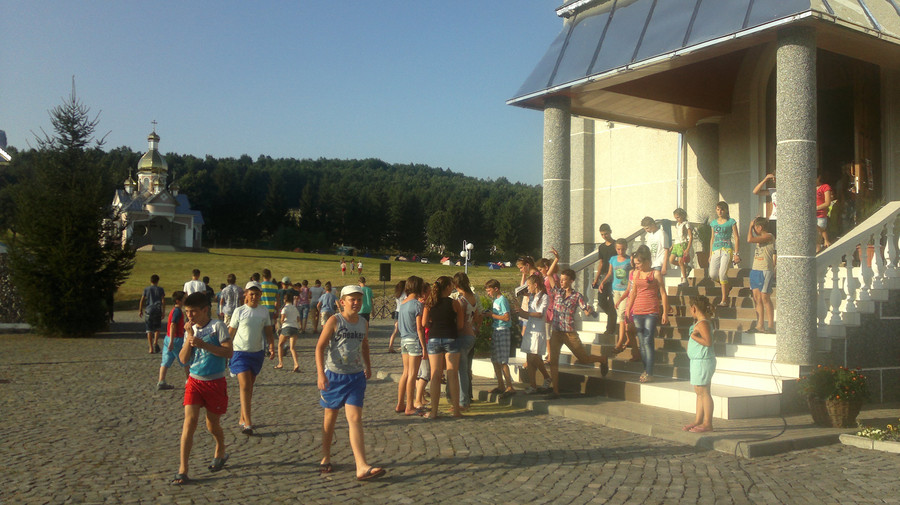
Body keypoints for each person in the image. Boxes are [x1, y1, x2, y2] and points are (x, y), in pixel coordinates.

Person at [315, 285, 385, 481]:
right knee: (330, 419)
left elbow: (365, 345)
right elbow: (319, 348)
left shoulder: (363, 323)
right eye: (352, 299)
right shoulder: (334, 321)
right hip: (334, 377)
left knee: (355, 419)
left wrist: (368, 366)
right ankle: (325, 456)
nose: (356, 303)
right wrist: (321, 374)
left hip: (355, 377)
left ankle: (361, 466)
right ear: (342, 302)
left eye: (359, 300)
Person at [172, 292, 233, 485]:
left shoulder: (217, 326)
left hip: (215, 382)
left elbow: (228, 352)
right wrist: (189, 338)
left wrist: (204, 345)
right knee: (189, 423)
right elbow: (183, 359)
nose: (189, 316)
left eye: (193, 312)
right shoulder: (190, 330)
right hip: (194, 381)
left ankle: (220, 449)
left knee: (212, 425)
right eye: (187, 312)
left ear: (205, 310)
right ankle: (183, 469)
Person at [546, 247, 609, 398]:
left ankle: (602, 359)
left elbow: (585, 308)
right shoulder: (557, 292)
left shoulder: (577, 296)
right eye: (561, 279)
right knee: (553, 361)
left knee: (583, 359)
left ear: (571, 281)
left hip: (569, 333)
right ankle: (555, 391)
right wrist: (557, 259)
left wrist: (589, 311)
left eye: (564, 280)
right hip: (556, 332)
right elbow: (548, 274)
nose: (561, 282)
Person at [228, 281, 275, 436]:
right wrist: (224, 349)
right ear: (246, 295)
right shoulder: (239, 311)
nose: (254, 297)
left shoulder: (263, 311)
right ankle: (248, 423)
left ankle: (242, 416)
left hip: (256, 353)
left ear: (261, 295)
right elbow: (231, 332)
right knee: (245, 386)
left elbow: (268, 331)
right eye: (251, 294)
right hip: (239, 352)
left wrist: (271, 346)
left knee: (249, 387)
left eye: (257, 294)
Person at [625, 247, 669, 383]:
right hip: (637, 311)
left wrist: (665, 312)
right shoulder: (636, 274)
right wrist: (628, 309)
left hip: (651, 310)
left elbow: (663, 293)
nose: (637, 266)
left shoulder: (655, 274)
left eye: (638, 263)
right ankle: (646, 370)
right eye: (635, 263)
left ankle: (650, 372)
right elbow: (633, 292)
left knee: (648, 340)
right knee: (641, 342)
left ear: (647, 261)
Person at [422, 276, 464, 419]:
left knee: (435, 374)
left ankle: (434, 411)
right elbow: (460, 325)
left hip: (434, 338)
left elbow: (424, 323)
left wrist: (433, 324)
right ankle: (456, 410)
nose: (453, 288)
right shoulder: (454, 303)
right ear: (447, 287)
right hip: (451, 337)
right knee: (452, 374)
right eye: (451, 285)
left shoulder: (430, 303)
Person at [684, 295, 716, 433]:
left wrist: (693, 336)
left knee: (704, 391)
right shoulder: (701, 323)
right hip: (697, 361)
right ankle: (698, 420)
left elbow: (708, 342)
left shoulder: (703, 323)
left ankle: (707, 423)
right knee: (698, 391)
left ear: (694, 308)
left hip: (703, 361)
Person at [396, 276, 426, 415]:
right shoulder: (417, 304)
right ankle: (409, 406)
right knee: (413, 375)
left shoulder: (403, 303)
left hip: (403, 340)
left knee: (405, 373)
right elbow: (419, 328)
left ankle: (400, 403)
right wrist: (424, 347)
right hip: (414, 340)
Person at [452, 272, 482, 410]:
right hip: (471, 334)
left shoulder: (461, 300)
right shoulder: (473, 297)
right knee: (465, 369)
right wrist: (475, 328)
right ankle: (465, 399)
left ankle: (463, 401)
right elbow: (477, 316)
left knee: (461, 371)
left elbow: (460, 322)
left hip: (463, 335)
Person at [517, 273, 550, 394]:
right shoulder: (531, 297)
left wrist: (525, 313)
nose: (528, 288)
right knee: (529, 358)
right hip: (530, 329)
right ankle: (533, 385)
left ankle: (546, 377)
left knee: (534, 357)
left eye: (529, 285)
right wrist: (519, 310)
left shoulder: (544, 297)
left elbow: (539, 314)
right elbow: (528, 314)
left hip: (538, 330)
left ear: (535, 285)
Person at [485, 279, 516, 397]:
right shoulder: (496, 300)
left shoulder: (502, 300)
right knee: (495, 360)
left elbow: (506, 317)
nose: (488, 293)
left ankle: (510, 386)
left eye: (489, 291)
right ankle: (501, 385)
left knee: (503, 360)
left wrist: (492, 315)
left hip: (503, 331)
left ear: (496, 289)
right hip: (496, 330)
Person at [747, 217, 776, 334]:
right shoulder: (758, 238)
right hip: (755, 269)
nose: (754, 229)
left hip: (765, 270)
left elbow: (749, 239)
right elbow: (752, 238)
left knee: (765, 297)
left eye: (755, 227)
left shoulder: (769, 236)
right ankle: (760, 325)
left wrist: (750, 226)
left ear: (760, 227)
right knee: (756, 298)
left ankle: (771, 325)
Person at [709, 201, 740, 307]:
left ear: (726, 210)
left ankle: (724, 299)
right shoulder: (713, 223)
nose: (720, 212)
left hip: (727, 250)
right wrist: (710, 254)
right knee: (713, 275)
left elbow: (736, 237)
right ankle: (727, 286)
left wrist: (736, 253)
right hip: (715, 250)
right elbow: (712, 238)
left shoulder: (731, 222)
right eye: (718, 209)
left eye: (722, 209)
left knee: (722, 274)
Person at [158, 291, 188, 390]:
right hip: (176, 339)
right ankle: (189, 380)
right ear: (178, 301)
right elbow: (173, 325)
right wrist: (172, 341)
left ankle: (161, 381)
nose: (185, 300)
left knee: (165, 360)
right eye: (184, 298)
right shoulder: (177, 312)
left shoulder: (174, 310)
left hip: (168, 338)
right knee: (185, 359)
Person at [591, 223, 618, 335]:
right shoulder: (601, 247)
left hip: (614, 276)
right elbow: (601, 263)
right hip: (604, 276)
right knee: (601, 301)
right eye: (602, 234)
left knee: (611, 303)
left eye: (606, 234)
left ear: (610, 232)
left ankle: (610, 329)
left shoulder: (616, 245)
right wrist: (596, 278)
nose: (604, 236)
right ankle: (613, 316)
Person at [608, 239, 633, 354]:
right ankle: (628, 338)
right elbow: (610, 273)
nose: (621, 251)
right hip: (615, 290)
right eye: (618, 249)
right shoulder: (613, 259)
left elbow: (632, 275)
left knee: (622, 314)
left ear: (626, 248)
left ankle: (620, 341)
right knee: (620, 314)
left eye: (623, 249)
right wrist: (602, 282)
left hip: (625, 290)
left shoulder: (629, 260)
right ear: (615, 248)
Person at [139, 274, 165, 354]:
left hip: (149, 310)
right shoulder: (160, 289)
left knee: (149, 329)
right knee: (157, 328)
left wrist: (140, 310)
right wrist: (163, 311)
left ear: (150, 281)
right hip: (157, 309)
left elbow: (142, 300)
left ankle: (150, 347)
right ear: (158, 281)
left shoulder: (146, 289)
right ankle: (155, 342)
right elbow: (163, 300)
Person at [276, 292, 301, 372]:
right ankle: (296, 364)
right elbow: (298, 319)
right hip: (295, 327)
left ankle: (280, 363)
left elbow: (282, 319)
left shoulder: (285, 308)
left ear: (284, 300)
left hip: (287, 327)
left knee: (280, 345)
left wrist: (279, 323)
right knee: (292, 348)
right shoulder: (295, 308)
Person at [670, 209, 693, 286]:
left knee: (680, 261)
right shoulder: (677, 225)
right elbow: (677, 236)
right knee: (671, 260)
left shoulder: (686, 224)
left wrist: (687, 249)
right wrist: (673, 245)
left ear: (683, 216)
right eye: (676, 218)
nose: (677, 219)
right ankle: (686, 267)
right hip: (676, 244)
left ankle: (684, 279)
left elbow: (690, 236)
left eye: (678, 217)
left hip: (683, 244)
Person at [387, 280, 406, 354]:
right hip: (403, 312)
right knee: (403, 330)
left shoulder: (397, 294)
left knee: (395, 330)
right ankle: (403, 345)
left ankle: (390, 346)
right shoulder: (405, 294)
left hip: (397, 311)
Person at [816, 174, 834, 251]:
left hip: (820, 215)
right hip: (810, 216)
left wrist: (815, 208)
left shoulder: (825, 187)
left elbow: (827, 203)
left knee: (817, 238)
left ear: (819, 177)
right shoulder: (809, 187)